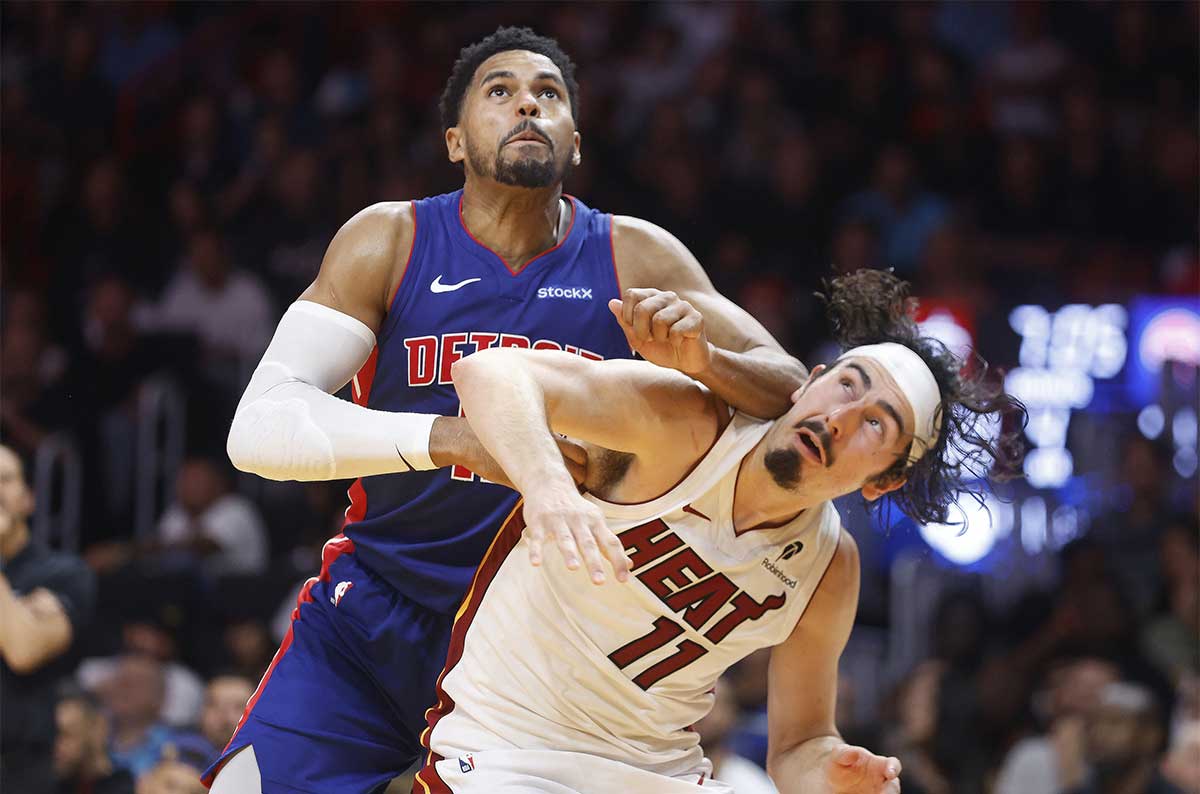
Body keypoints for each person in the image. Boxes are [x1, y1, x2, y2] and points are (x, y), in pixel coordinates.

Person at [207, 26, 803, 793]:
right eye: (501, 92)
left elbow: (789, 386)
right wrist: (460, 440)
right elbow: (258, 427)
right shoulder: (389, 239)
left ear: (576, 143)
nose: (527, 102)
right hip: (377, 609)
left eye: (548, 94)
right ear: (455, 140)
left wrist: (705, 362)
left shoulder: (635, 255)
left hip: (545, 642)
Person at [414, 269, 1024, 793]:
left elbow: (799, 743)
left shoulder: (830, 567)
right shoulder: (686, 424)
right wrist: (547, 489)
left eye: (874, 424)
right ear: (808, 382)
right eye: (845, 384)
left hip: (658, 772)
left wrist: (828, 772)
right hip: (507, 748)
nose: (839, 419)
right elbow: (489, 372)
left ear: (883, 482)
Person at [0, 444, 97, 794]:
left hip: (20, 768)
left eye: (5, 478)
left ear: (28, 498)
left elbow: (24, 651)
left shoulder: (63, 573)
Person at [53, 687, 136, 794]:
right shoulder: (49, 786)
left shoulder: (127, 787)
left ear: (97, 730)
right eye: (53, 735)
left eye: (67, 735)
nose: (56, 745)